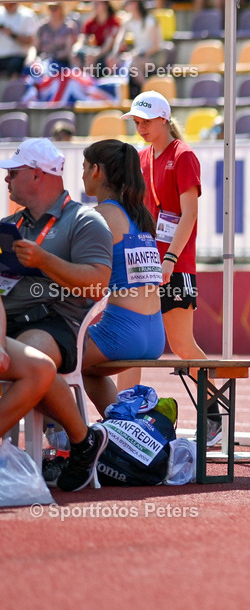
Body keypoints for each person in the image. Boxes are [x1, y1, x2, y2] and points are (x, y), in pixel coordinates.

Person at [0, 137, 112, 491]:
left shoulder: (85, 221)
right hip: (9, 320)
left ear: (36, 175)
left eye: (13, 173)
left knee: (34, 356)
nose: (6, 180)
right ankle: (84, 441)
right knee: (28, 357)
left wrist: (44, 260)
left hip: (57, 322)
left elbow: (97, 285)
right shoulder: (10, 224)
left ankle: (80, 443)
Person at [117, 92, 214, 443]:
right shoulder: (141, 158)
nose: (140, 127)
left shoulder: (183, 155)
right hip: (145, 265)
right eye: (136, 122)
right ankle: (119, 419)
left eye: (145, 121)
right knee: (132, 343)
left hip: (175, 263)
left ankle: (213, 413)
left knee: (181, 344)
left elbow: (189, 214)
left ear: (163, 119)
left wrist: (170, 259)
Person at [78, 140, 165, 413]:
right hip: (155, 336)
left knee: (50, 359)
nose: (80, 175)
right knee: (90, 371)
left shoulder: (100, 216)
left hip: (123, 334)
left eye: (83, 167)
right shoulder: (141, 217)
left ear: (96, 170)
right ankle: (124, 429)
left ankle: (65, 434)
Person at [0, 2, 39, 78]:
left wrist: (13, 35)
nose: (8, 4)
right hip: (1, 56)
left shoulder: (27, 15)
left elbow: (31, 40)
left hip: (17, 56)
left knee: (14, 65)